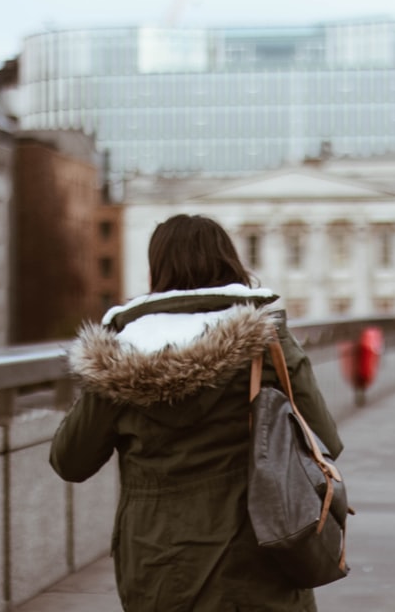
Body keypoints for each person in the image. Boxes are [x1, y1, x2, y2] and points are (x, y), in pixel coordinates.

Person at [50, 214, 342, 612]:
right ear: (229, 263)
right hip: (262, 552)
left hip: (158, 562)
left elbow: (70, 461)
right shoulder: (266, 343)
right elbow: (326, 439)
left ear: (157, 271)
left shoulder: (118, 355)